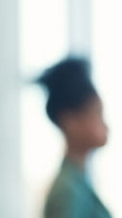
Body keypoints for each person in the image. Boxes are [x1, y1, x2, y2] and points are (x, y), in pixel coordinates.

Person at [38, 57, 112, 218]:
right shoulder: (67, 191)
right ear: (70, 121)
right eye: (97, 114)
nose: (106, 126)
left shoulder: (78, 183)